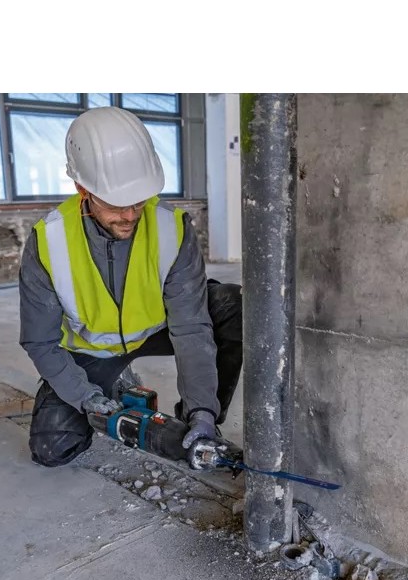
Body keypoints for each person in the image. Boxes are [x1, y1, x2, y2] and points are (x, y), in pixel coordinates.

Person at [19, 106, 242, 467]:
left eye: (138, 200)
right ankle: (115, 379)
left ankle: (198, 422)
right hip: (92, 352)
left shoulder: (172, 229)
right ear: (82, 188)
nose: (129, 215)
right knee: (52, 449)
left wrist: (202, 409)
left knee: (234, 306)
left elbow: (191, 327)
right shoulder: (49, 241)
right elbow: (39, 341)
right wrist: (85, 396)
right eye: (116, 203)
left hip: (156, 331)